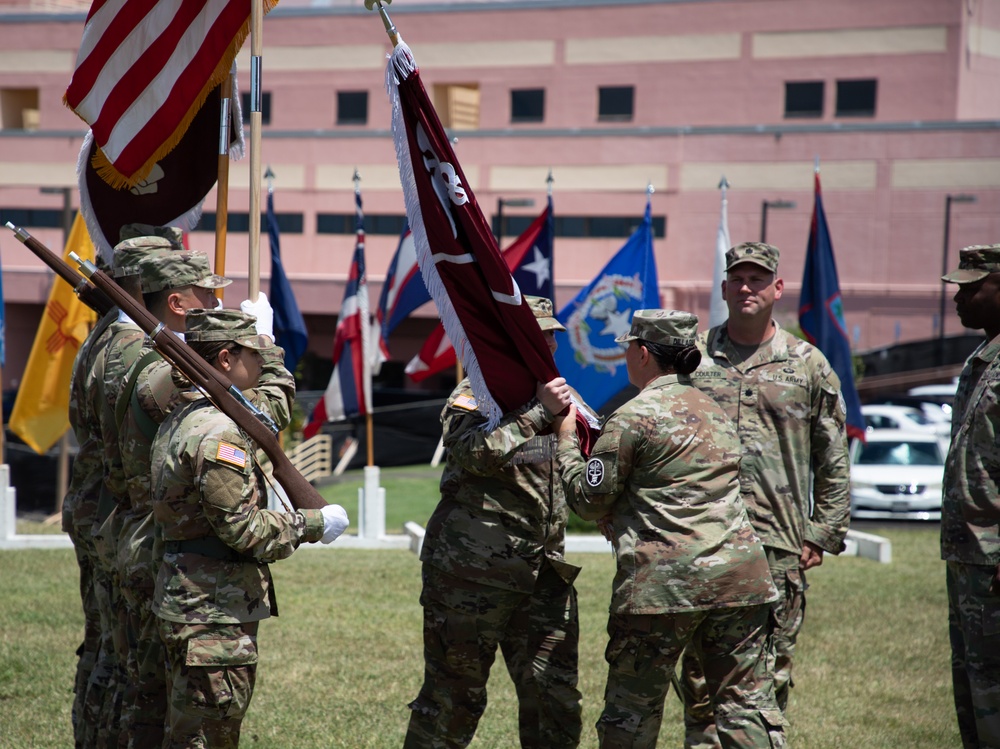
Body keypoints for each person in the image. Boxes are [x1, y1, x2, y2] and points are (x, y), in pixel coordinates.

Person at [552, 309, 784, 749]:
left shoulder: (633, 417)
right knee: (745, 708)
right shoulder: (716, 411)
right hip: (740, 580)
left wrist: (565, 437)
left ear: (642, 353)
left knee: (632, 715)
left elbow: (586, 499)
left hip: (662, 588)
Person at [404, 296, 598, 749]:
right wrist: (536, 414)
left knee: (555, 699)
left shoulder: (569, 399)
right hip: (472, 577)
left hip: (544, 576)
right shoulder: (477, 394)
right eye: (537, 335)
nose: (546, 345)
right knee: (455, 697)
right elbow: (471, 454)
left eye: (551, 336)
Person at [151, 309, 349, 749]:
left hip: (195, 602)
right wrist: (314, 522)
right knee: (206, 737)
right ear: (225, 359)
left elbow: (268, 408)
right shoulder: (219, 431)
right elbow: (245, 529)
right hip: (212, 613)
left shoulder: (186, 414)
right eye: (253, 356)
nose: (260, 366)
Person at [680, 241, 850, 746]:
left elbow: (833, 454)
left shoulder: (807, 363)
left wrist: (821, 532)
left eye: (759, 279)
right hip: (700, 541)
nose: (747, 287)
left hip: (775, 544)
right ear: (726, 287)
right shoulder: (693, 357)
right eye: (739, 278)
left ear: (778, 289)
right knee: (698, 680)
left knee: (768, 674)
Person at [940, 244, 1000, 748]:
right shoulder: (982, 360)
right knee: (975, 692)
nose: (958, 296)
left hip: (994, 558)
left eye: (971, 286)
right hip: (970, 558)